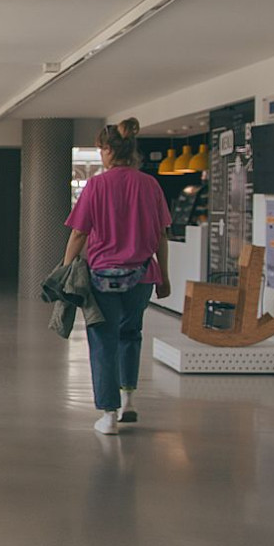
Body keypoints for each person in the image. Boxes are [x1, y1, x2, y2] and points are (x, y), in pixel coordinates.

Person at [63, 118, 172, 436]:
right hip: (141, 276)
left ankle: (108, 414)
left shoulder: (97, 185)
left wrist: (66, 269)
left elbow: (79, 233)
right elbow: (161, 235)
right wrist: (163, 277)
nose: (100, 155)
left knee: (102, 341)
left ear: (109, 150)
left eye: (100, 150)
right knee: (130, 335)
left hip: (102, 278)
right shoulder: (149, 185)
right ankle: (128, 402)